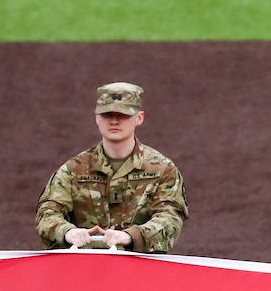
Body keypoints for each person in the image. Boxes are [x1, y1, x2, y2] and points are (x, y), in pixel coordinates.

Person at [35, 82, 187, 253]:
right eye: (107, 114)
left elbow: (170, 219)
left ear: (139, 117)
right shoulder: (73, 170)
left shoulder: (162, 170)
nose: (114, 121)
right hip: (85, 268)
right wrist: (67, 232)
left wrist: (132, 236)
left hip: (141, 270)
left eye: (123, 114)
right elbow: (47, 214)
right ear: (97, 118)